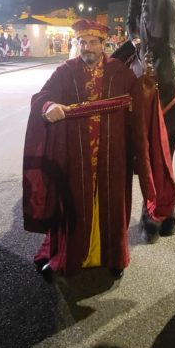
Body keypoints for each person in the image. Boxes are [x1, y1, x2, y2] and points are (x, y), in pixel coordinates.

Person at [23, 19, 152, 280]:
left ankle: (114, 256)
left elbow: (140, 101)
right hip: (74, 156)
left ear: (104, 44)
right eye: (82, 42)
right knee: (72, 205)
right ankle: (69, 256)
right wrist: (48, 107)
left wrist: (151, 80)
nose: (87, 47)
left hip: (113, 156)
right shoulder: (66, 71)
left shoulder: (120, 72)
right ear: (77, 44)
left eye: (93, 42)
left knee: (113, 204)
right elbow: (42, 97)